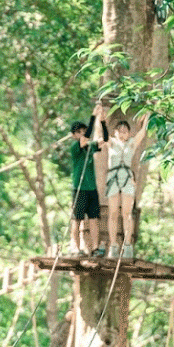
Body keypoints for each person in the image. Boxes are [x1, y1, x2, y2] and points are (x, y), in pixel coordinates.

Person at [101, 111, 148, 259]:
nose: (122, 134)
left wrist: (146, 116)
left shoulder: (132, 143)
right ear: (115, 133)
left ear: (128, 133)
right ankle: (113, 246)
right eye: (119, 131)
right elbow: (103, 134)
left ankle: (127, 245)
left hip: (127, 178)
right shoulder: (111, 143)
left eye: (125, 131)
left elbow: (143, 131)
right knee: (113, 213)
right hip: (113, 177)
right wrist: (102, 120)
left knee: (127, 213)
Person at [67, 108, 107, 256]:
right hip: (79, 188)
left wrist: (102, 121)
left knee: (94, 219)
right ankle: (76, 248)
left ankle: (95, 248)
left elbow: (106, 139)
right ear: (74, 135)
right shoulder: (75, 147)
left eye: (83, 131)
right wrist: (93, 116)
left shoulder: (91, 147)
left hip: (92, 188)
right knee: (76, 220)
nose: (82, 134)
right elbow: (87, 138)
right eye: (79, 132)